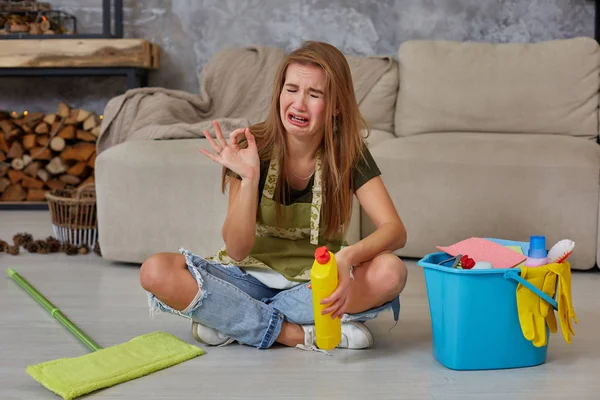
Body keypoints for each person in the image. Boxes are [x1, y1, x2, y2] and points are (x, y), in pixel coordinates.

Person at [140, 41, 408, 351]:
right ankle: (299, 333)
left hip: (314, 285)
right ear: (279, 93)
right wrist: (250, 176)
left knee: (390, 271)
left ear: (336, 104)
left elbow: (395, 230)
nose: (299, 104)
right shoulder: (252, 147)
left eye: (315, 94)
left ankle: (233, 319)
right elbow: (237, 250)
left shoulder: (348, 153)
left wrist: (346, 258)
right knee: (156, 270)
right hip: (246, 282)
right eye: (291, 89)